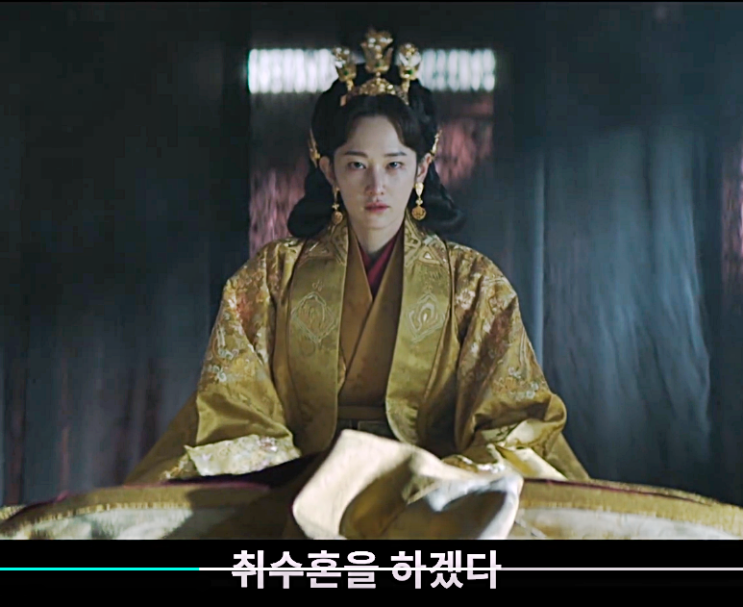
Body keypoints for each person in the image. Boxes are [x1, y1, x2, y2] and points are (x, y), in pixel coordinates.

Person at [125, 29, 589, 487]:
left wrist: (445, 477)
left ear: (422, 168)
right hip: (302, 485)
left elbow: (513, 418)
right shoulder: (271, 277)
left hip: (429, 492)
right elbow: (233, 405)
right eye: (356, 165)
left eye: (394, 164)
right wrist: (303, 476)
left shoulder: (473, 283)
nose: (376, 186)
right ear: (328, 170)